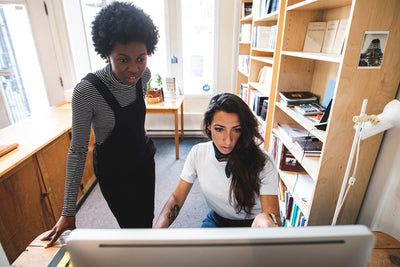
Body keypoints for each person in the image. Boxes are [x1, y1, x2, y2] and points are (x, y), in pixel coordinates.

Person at [42, 2, 159, 247]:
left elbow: (137, 118)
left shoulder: (144, 77)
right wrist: (68, 211)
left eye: (141, 58)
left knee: (146, 220)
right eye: (123, 59)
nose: (134, 69)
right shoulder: (86, 91)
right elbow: (77, 151)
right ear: (107, 53)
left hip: (143, 161)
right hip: (115, 173)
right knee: (131, 226)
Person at [154, 93, 282, 228]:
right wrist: (156, 232)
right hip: (217, 219)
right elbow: (177, 198)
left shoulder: (264, 162)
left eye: (236, 130)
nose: (228, 140)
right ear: (209, 125)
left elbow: (274, 219)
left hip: (252, 224)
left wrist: (266, 220)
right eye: (219, 129)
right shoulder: (198, 153)